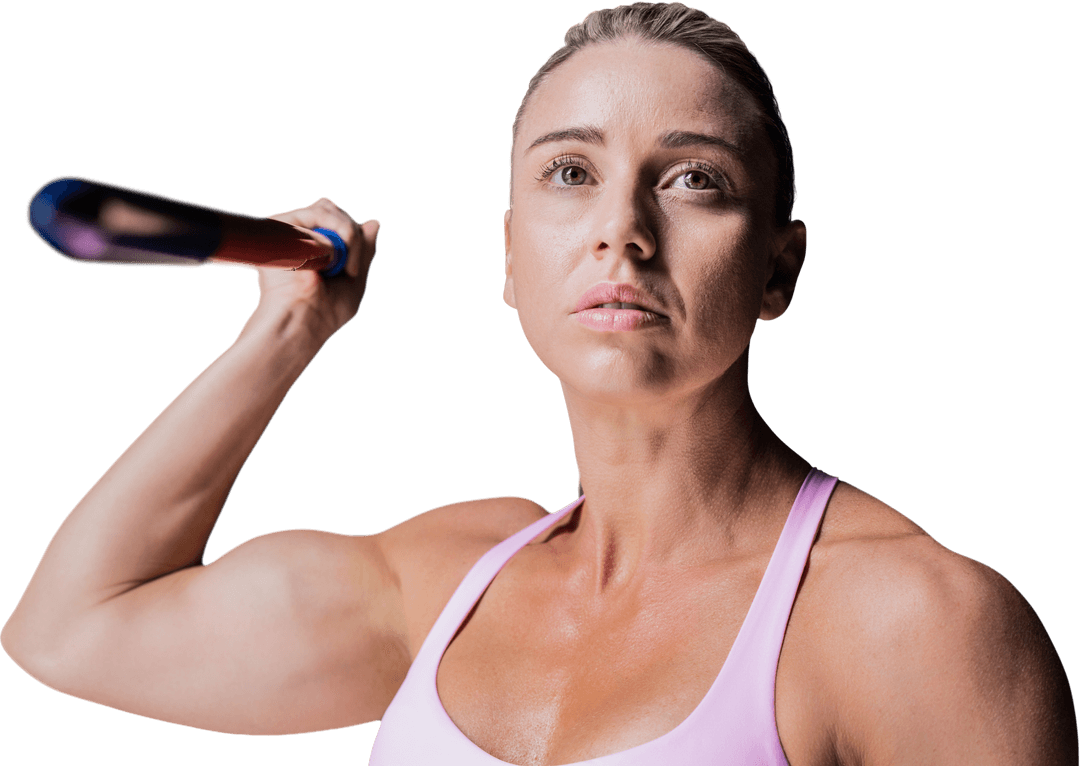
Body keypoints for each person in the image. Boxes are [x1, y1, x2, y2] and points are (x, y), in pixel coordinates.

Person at [2, 2, 1075, 763]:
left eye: (694, 178)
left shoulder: (915, 621)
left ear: (779, 268)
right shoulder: (446, 584)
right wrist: (283, 339)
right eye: (572, 172)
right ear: (513, 260)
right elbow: (69, 627)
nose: (622, 231)